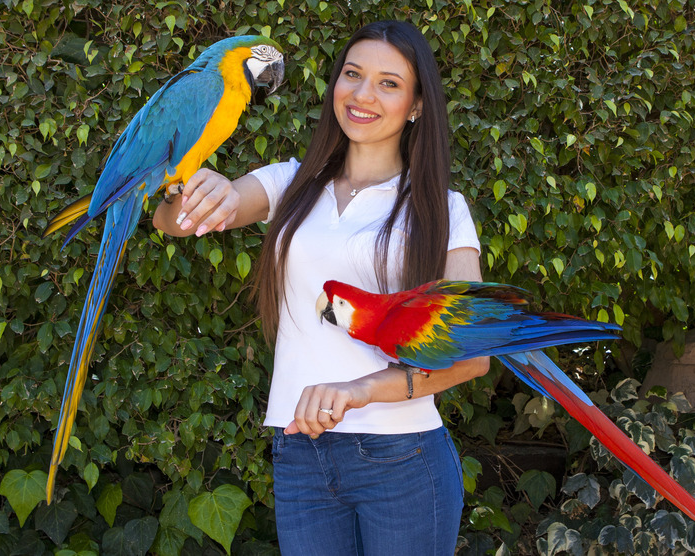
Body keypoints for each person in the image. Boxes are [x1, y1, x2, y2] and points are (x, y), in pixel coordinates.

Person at [154, 20, 488, 555]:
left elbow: (471, 359)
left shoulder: (444, 210)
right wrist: (194, 185)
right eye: (352, 75)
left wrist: (359, 391)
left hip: (403, 462)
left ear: (418, 105)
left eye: (388, 83)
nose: (362, 94)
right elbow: (173, 222)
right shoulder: (291, 184)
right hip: (301, 457)